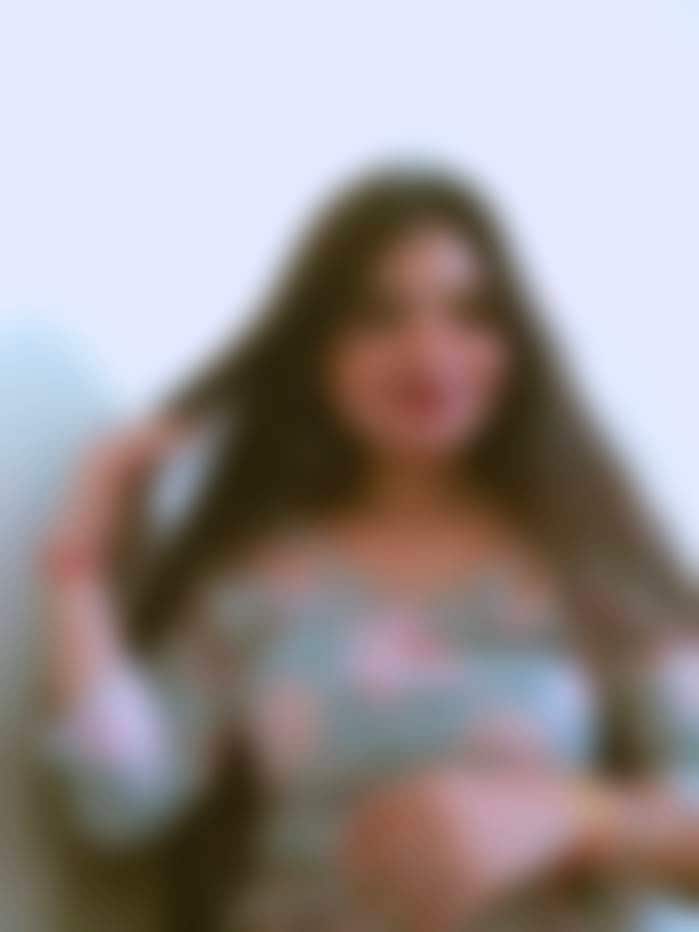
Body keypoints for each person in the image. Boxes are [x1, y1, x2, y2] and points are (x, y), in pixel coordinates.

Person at [39, 167, 698, 932]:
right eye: (379, 316)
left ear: (514, 342)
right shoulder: (261, 577)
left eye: (469, 313)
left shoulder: (586, 563)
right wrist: (77, 561)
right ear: (317, 349)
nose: (428, 351)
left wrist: (571, 817)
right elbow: (117, 801)